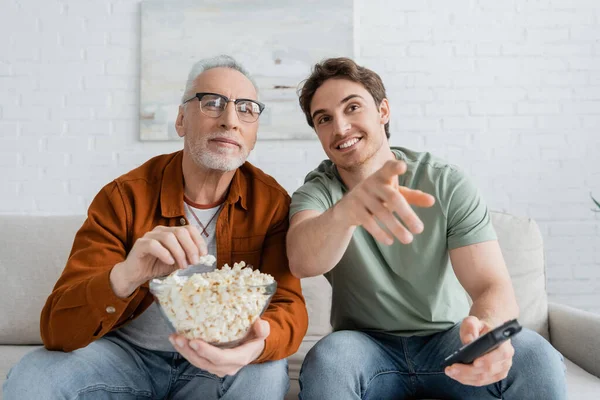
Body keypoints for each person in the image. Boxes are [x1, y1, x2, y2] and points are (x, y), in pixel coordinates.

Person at [3, 55, 308, 400]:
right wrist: (127, 274)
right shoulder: (123, 197)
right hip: (124, 358)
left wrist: (254, 345)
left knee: (265, 372)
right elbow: (56, 330)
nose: (230, 120)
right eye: (212, 103)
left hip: (217, 362)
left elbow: (287, 303)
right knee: (34, 374)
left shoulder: (271, 202)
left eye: (246, 109)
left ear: (254, 132)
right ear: (181, 120)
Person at [287, 57, 566, 400]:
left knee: (536, 355)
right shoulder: (318, 191)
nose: (341, 128)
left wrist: (486, 332)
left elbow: (492, 286)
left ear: (383, 110)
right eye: (324, 119)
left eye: (353, 107)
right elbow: (302, 260)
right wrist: (347, 210)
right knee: (328, 362)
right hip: (365, 346)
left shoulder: (445, 182)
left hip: (448, 340)